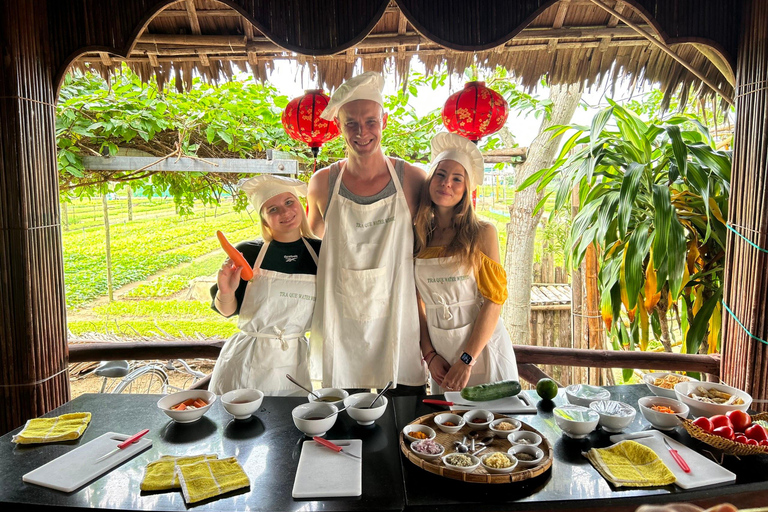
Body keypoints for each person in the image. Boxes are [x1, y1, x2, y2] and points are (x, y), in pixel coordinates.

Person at [307, 72, 427, 393]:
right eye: (351, 124)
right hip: (344, 328)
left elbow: (433, 245)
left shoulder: (412, 179)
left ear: (384, 121)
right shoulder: (322, 183)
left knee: (407, 428)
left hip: (399, 322)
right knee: (349, 434)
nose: (362, 132)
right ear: (338, 127)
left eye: (371, 121)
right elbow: (313, 245)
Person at [413, 132, 518, 393]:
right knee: (449, 429)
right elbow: (416, 302)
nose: (447, 183)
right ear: (430, 180)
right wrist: (430, 355)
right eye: (440, 174)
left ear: (466, 188)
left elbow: (494, 300)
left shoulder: (482, 232)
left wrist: (467, 359)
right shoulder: (417, 235)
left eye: (457, 178)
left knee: (495, 427)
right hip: (440, 354)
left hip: (481, 350)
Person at [208, 175, 321, 396]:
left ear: (300, 204)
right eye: (273, 209)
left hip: (295, 360)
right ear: (264, 219)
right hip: (247, 360)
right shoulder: (248, 253)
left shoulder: (321, 252)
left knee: (291, 424)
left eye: (289, 202)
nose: (285, 212)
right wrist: (226, 291)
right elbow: (227, 310)